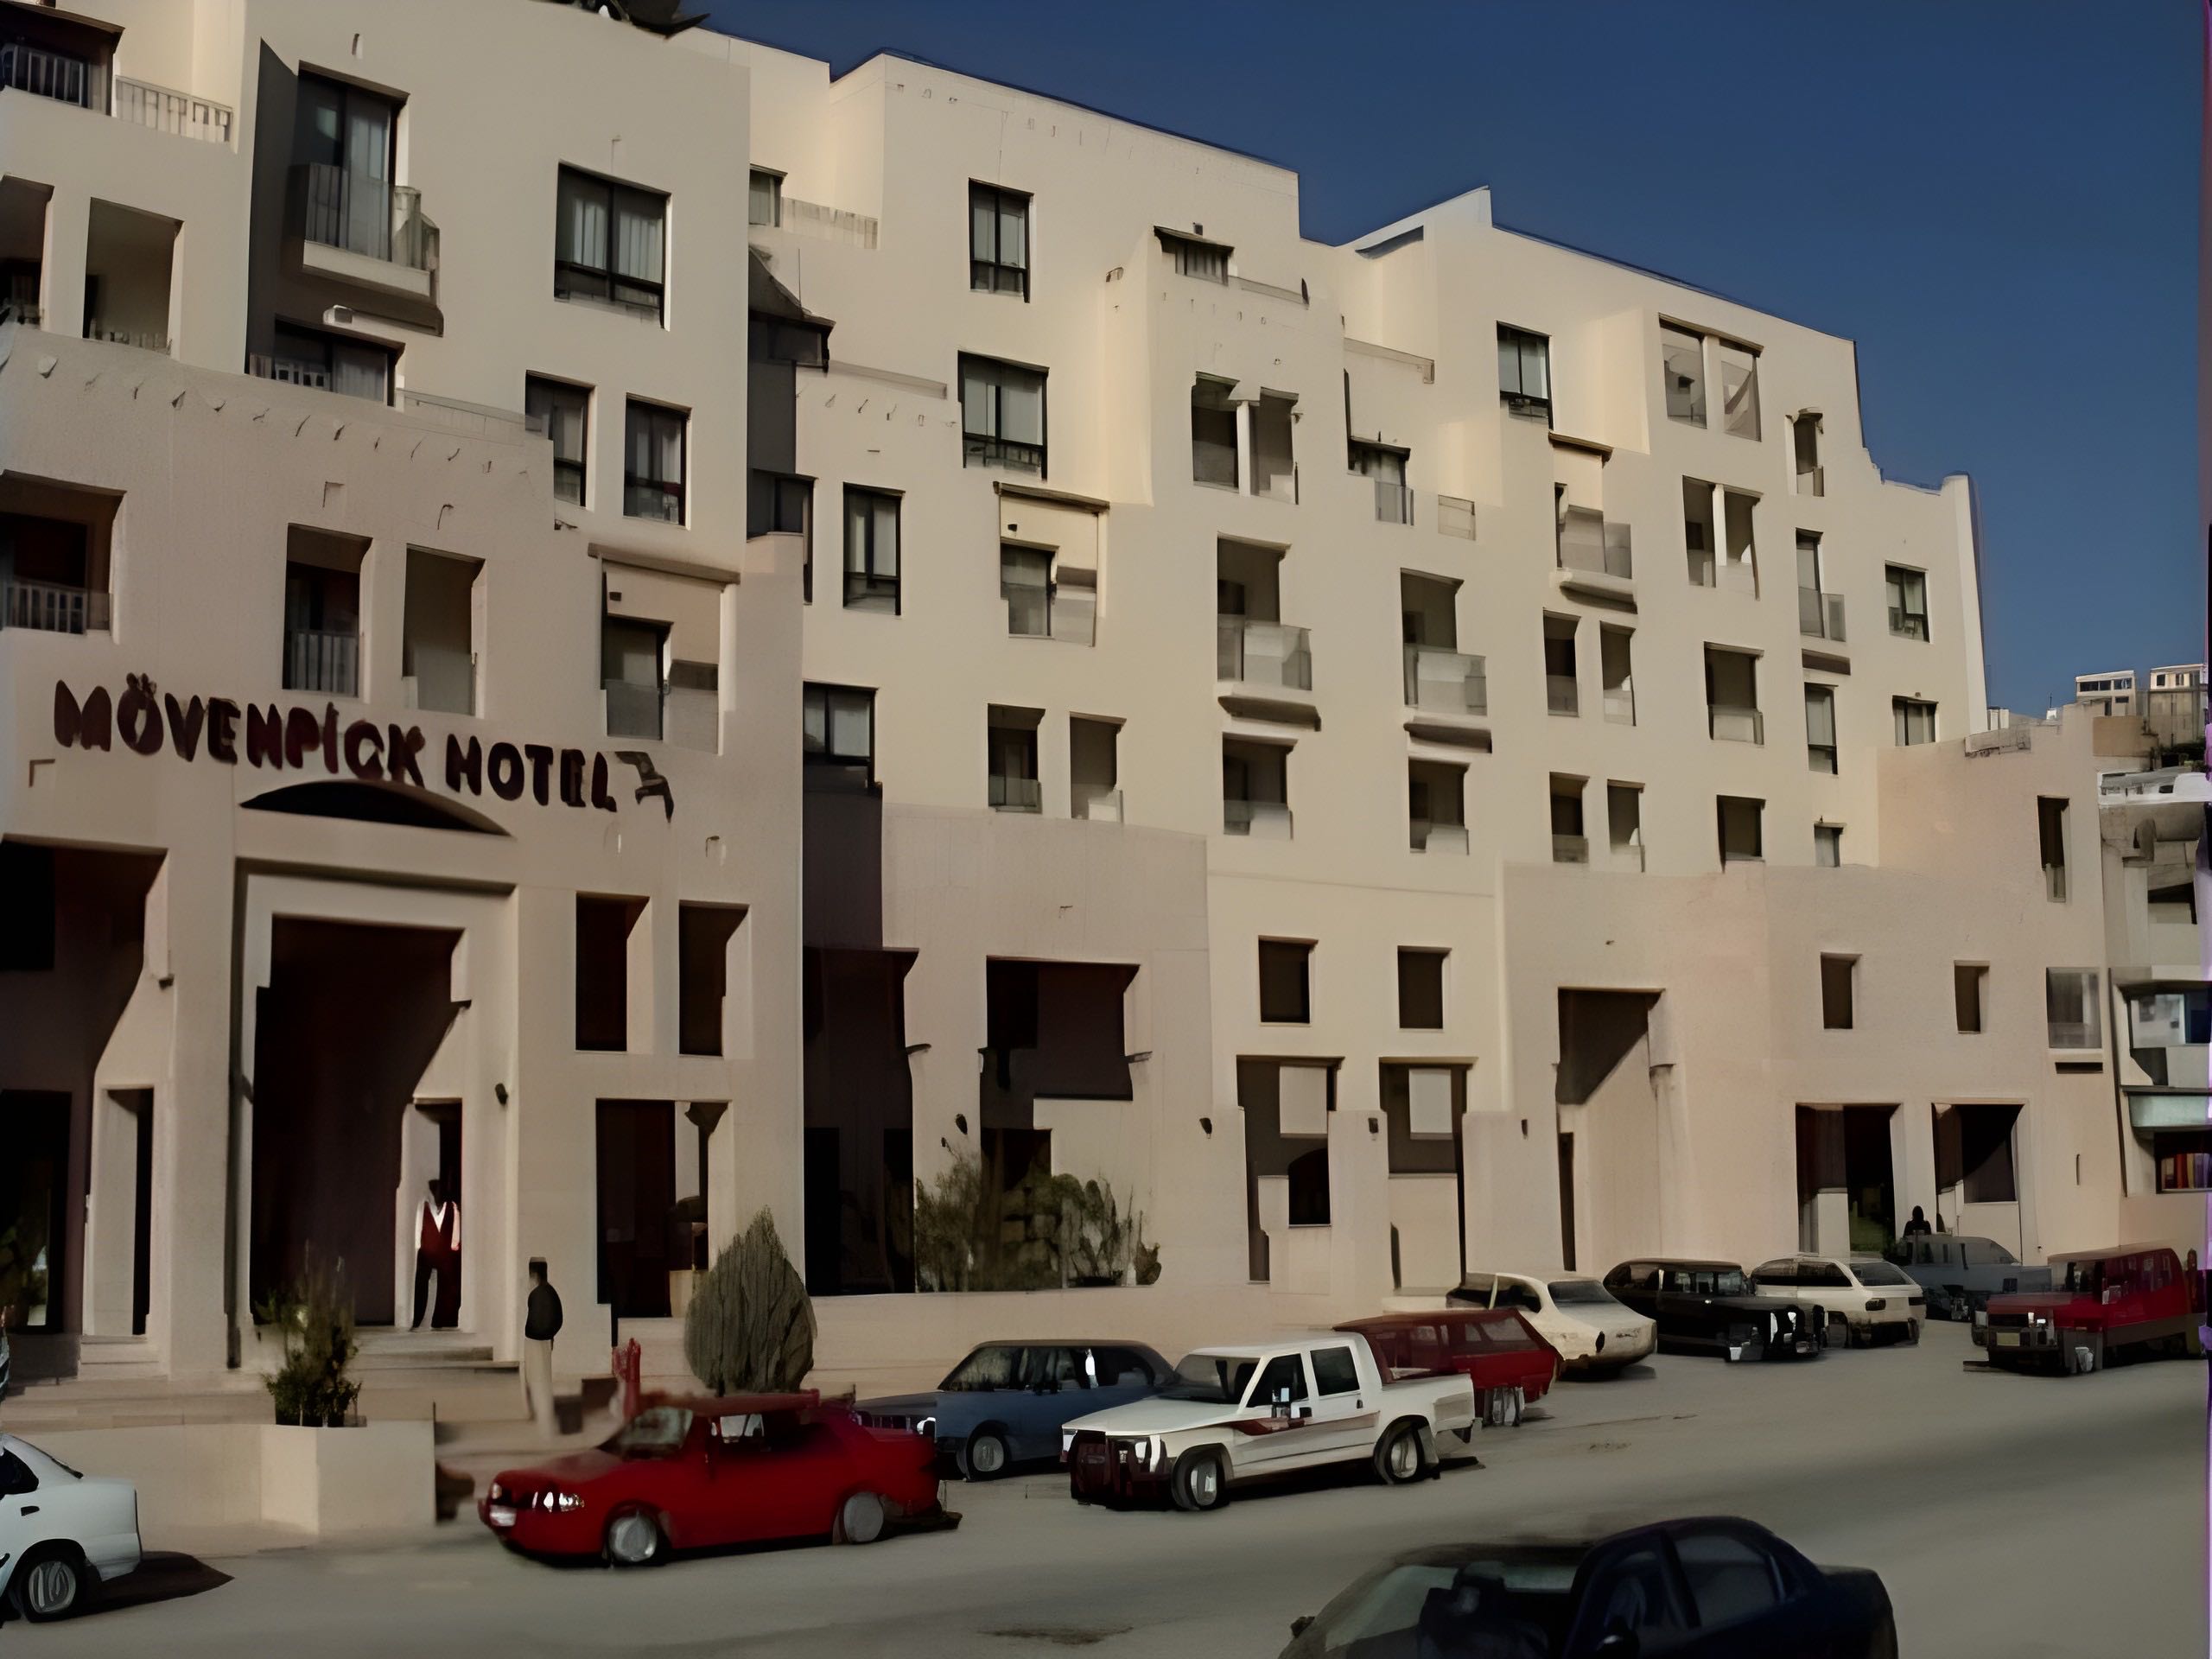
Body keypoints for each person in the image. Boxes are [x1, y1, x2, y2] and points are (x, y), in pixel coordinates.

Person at [410, 1179, 461, 1332]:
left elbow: (455, 1226)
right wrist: (418, 1245)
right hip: (426, 1250)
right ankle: (418, 1319)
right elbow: (418, 1225)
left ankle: (439, 1319)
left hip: (444, 1251)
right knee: (421, 1284)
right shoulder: (424, 1206)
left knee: (445, 1285)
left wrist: (454, 1244)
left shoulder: (452, 1207)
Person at [523, 1258, 563, 1437]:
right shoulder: (551, 1292)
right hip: (546, 1340)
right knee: (544, 1378)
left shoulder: (536, 1294)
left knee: (536, 1379)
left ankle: (542, 1421)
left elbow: (534, 1320)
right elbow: (558, 1319)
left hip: (534, 1341)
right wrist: (551, 1334)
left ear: (534, 1274)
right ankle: (545, 1419)